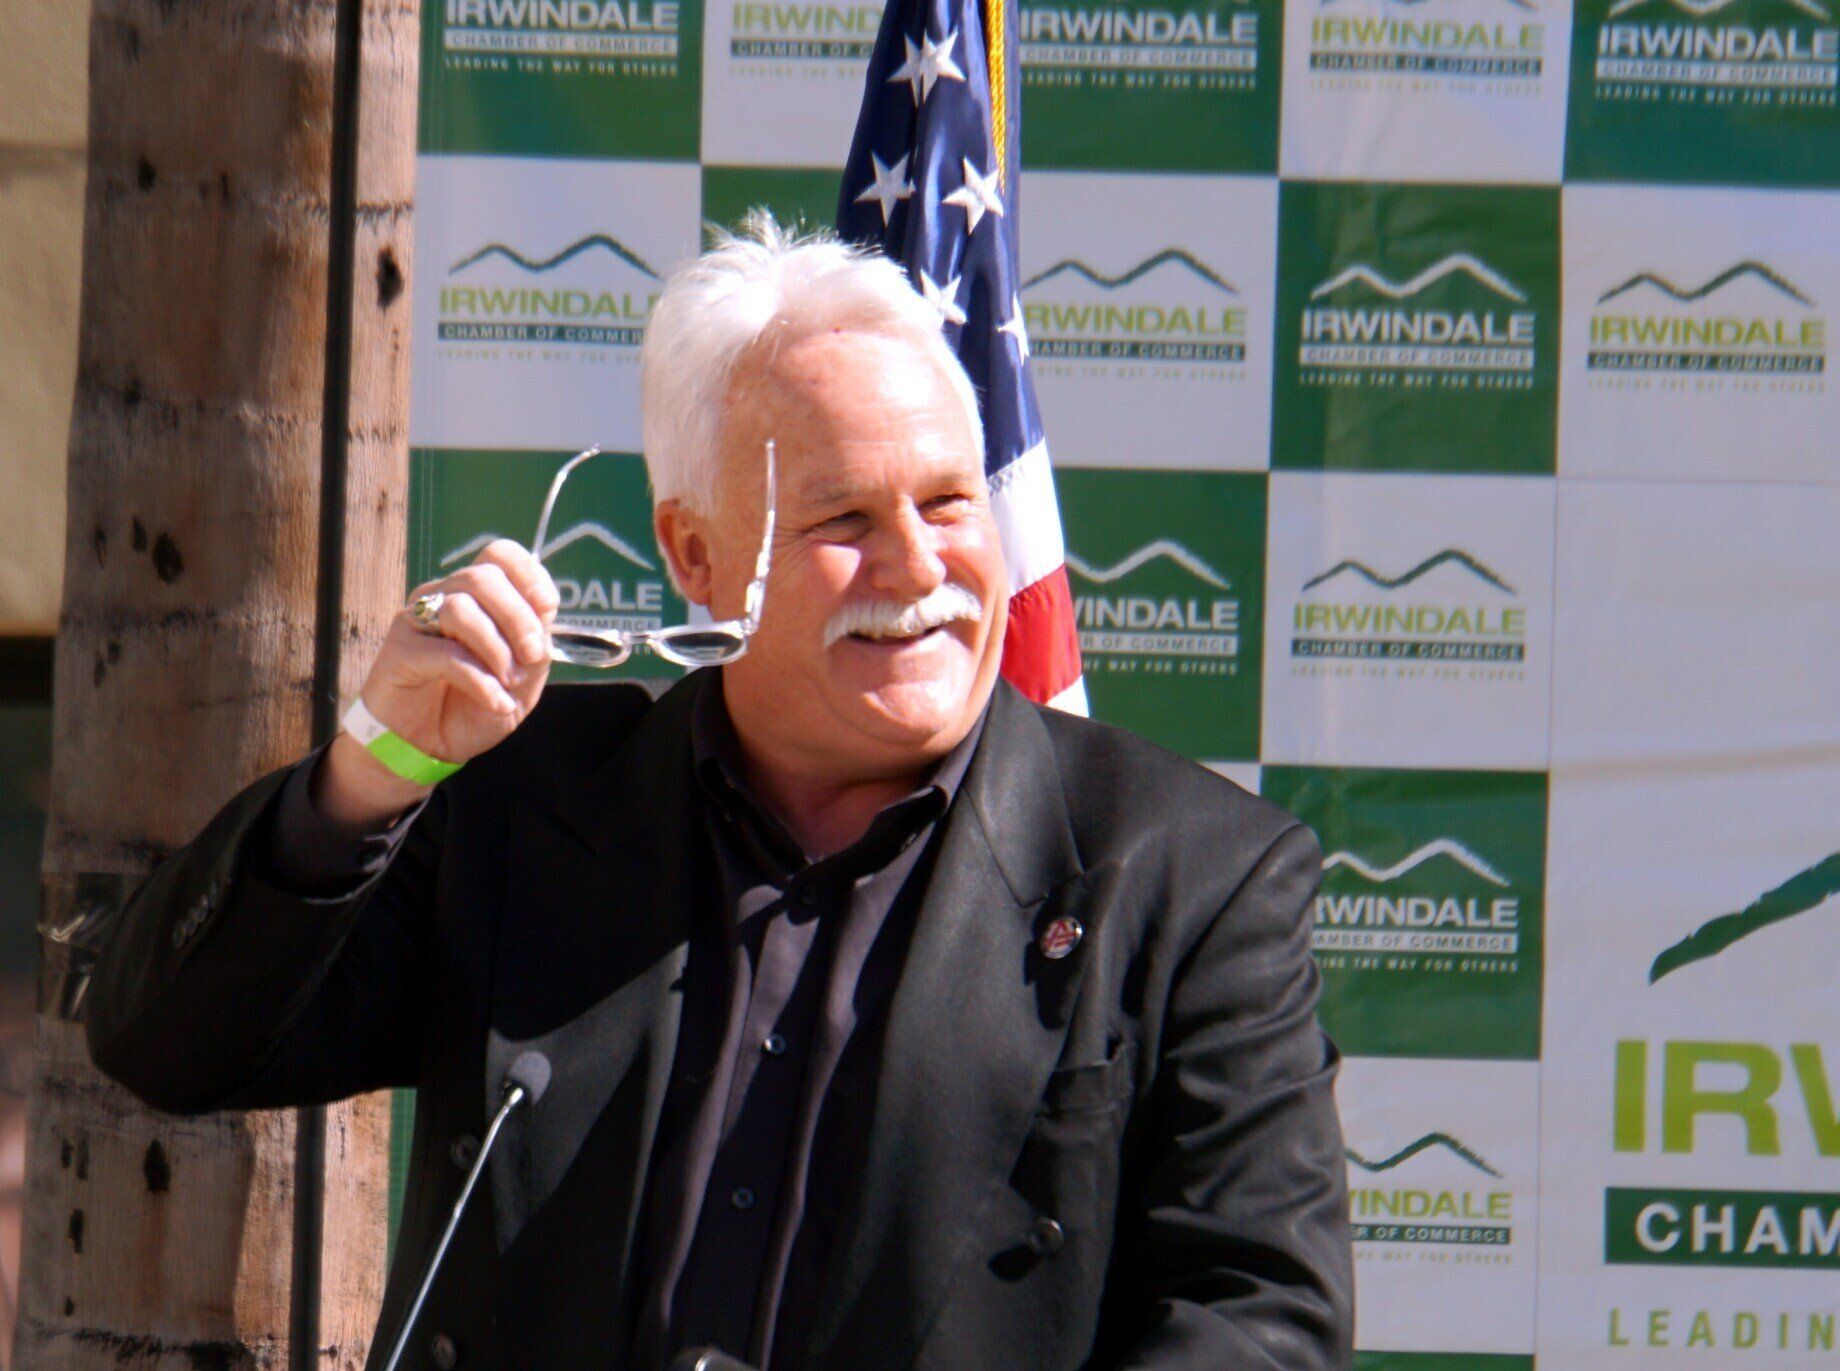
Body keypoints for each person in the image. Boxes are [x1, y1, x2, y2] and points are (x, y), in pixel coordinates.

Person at [85, 216, 1352, 1370]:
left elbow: (1258, 1325)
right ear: (696, 552)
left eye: (950, 502)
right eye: (844, 517)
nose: (920, 567)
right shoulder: (517, 801)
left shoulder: (1191, 872)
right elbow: (169, 1044)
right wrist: (376, 766)